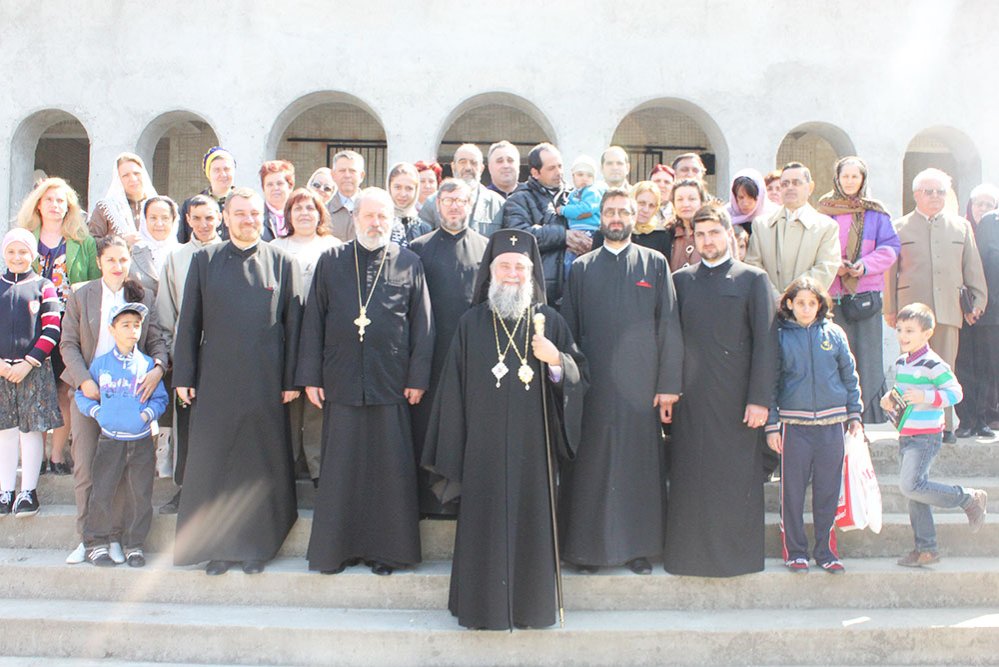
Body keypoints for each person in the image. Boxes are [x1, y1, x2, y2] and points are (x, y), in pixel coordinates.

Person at [421, 229, 588, 630]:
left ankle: (531, 609)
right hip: (483, 450)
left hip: (535, 449)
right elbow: (452, 393)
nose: (512, 274)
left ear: (531, 275)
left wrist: (555, 362)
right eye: (505, 266)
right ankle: (482, 608)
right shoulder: (470, 323)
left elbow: (579, 378)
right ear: (490, 272)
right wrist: (456, 451)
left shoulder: (552, 322)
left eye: (520, 268)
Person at [296, 187, 434, 576]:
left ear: (392, 221)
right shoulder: (332, 260)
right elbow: (314, 322)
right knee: (341, 471)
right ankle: (336, 552)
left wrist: (417, 377)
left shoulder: (409, 262)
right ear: (354, 218)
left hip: (390, 382)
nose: (376, 223)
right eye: (370, 216)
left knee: (388, 473)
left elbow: (423, 326)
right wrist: (310, 376)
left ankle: (387, 553)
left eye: (383, 217)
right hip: (340, 380)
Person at [172, 188, 304, 576]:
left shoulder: (281, 261)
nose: (248, 220)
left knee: (259, 465)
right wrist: (184, 375)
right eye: (240, 214)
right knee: (218, 463)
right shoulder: (205, 260)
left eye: (254, 214)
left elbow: (294, 324)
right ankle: (219, 549)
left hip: (266, 382)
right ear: (225, 219)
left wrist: (292, 378)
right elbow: (189, 323)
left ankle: (257, 547)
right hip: (215, 380)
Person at [559, 188, 682, 575]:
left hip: (641, 390)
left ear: (634, 217)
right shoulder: (581, 268)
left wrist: (667, 384)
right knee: (591, 469)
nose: (616, 217)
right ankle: (586, 551)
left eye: (623, 211)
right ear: (600, 216)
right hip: (591, 388)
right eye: (609, 211)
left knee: (638, 469)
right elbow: (569, 331)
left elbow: (670, 327)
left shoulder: (655, 264)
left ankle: (638, 549)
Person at [666, 205, 777, 577]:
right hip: (691, 400)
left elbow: (766, 344)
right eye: (700, 235)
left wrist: (760, 400)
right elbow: (671, 340)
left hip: (738, 401)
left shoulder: (753, 280)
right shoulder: (681, 281)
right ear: (692, 240)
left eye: (714, 232)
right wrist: (669, 390)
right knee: (691, 477)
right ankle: (688, 558)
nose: (707, 240)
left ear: (729, 234)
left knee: (734, 480)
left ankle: (737, 559)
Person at [60, 235, 168, 565]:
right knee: (87, 467)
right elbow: (68, 344)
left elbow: (158, 341)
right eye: (111, 260)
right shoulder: (83, 295)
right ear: (99, 262)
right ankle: (88, 538)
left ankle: (117, 537)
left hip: (130, 395)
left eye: (123, 260)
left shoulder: (143, 296)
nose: (118, 267)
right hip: (91, 391)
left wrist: (159, 369)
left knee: (123, 472)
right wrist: (86, 381)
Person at [765, 277, 862, 575]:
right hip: (795, 427)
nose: (806, 308)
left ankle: (826, 551)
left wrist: (854, 414)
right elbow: (770, 382)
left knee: (828, 491)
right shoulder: (779, 336)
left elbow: (849, 375)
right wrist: (771, 425)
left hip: (832, 425)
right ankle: (795, 552)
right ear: (789, 304)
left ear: (820, 305)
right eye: (800, 302)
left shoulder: (834, 334)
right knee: (792, 492)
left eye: (812, 302)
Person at [880, 303, 988, 567]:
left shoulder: (934, 364)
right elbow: (901, 394)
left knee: (911, 485)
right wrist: (889, 399)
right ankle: (926, 549)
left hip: (926, 436)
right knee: (916, 492)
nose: (903, 336)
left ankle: (968, 497)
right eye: (900, 330)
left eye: (910, 331)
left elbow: (955, 393)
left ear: (927, 333)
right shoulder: (902, 362)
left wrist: (926, 396)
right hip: (907, 434)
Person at [884, 168, 988, 442]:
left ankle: (945, 426)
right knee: (912, 371)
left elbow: (972, 267)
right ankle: (909, 424)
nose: (934, 197)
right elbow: (890, 272)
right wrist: (890, 309)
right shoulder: (899, 226)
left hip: (948, 308)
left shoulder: (961, 226)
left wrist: (978, 300)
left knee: (945, 368)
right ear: (916, 194)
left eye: (940, 192)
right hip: (911, 313)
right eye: (928, 191)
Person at [408, 178, 489, 518]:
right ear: (437, 205)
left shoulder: (487, 249)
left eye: (462, 201)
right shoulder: (417, 248)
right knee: (427, 428)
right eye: (449, 200)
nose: (456, 206)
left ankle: (466, 499)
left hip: (473, 357)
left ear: (470, 205)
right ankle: (428, 502)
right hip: (430, 356)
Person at [75, 302, 168, 567]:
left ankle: (135, 544)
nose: (132, 331)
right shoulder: (101, 365)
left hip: (140, 442)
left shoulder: (148, 365)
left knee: (140, 494)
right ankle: (96, 543)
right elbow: (82, 395)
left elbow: (160, 399)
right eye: (125, 325)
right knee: (103, 492)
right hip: (110, 440)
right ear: (112, 330)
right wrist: (97, 412)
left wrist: (146, 416)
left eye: (137, 325)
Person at [17, 177, 100, 475]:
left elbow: (94, 284)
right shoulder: (23, 238)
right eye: (49, 199)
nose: (55, 205)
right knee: (38, 391)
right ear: (39, 204)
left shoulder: (83, 242)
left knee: (66, 391)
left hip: (69, 325)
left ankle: (57, 456)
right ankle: (36, 456)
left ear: (69, 207)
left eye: (61, 201)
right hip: (33, 326)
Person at [816, 156, 901, 423]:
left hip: (865, 296)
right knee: (836, 354)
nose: (850, 181)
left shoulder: (876, 213)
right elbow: (815, 247)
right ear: (837, 178)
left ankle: (868, 415)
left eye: (856, 176)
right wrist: (834, 266)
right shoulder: (823, 211)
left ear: (863, 179)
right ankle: (838, 412)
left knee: (868, 354)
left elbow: (890, 248)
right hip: (832, 296)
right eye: (846, 176)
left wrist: (863, 266)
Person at [154, 195, 224, 515]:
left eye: (210, 218)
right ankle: (186, 489)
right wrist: (176, 356)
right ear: (188, 220)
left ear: (220, 218)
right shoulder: (176, 258)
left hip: (225, 354)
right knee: (188, 425)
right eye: (197, 218)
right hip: (189, 354)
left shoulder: (230, 254)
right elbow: (166, 311)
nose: (204, 224)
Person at [270, 188, 342, 483]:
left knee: (316, 400)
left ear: (320, 214)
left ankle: (316, 466)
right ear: (288, 215)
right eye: (297, 208)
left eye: (310, 209)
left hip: (322, 332)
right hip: (284, 332)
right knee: (287, 399)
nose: (304, 214)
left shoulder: (334, 246)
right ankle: (287, 464)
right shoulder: (275, 246)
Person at [0, 228, 63, 517]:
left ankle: (28, 491)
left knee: (31, 431)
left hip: (33, 370)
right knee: (6, 432)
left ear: (33, 255)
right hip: (1, 371)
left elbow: (51, 328)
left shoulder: (43, 286)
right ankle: (5, 490)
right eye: (11, 251)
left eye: (23, 251)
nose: (17, 257)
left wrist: (29, 361)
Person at [744, 162, 841, 297]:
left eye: (796, 183)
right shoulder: (761, 225)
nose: (790, 188)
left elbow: (825, 268)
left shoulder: (826, 227)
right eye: (784, 184)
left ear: (810, 187)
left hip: (806, 309)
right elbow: (753, 265)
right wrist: (775, 297)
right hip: (769, 306)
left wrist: (792, 297)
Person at [502, 142, 575, 305]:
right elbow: (519, 236)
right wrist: (563, 235)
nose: (559, 172)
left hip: (574, 292)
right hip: (537, 295)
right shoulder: (519, 199)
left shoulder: (575, 196)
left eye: (560, 166)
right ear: (535, 172)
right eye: (551, 168)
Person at [955, 199, 999, 438]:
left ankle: (983, 417)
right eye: (979, 204)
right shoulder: (961, 228)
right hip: (967, 309)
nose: (984, 210)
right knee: (965, 365)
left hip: (992, 312)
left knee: (988, 369)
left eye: (989, 204)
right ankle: (967, 419)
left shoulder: (993, 225)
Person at [419, 143, 505, 237]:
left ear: (481, 168)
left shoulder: (498, 204)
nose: (468, 168)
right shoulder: (432, 202)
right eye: (462, 162)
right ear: (453, 167)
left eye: (473, 162)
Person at [88, 152, 157, 247]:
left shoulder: (157, 205)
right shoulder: (106, 208)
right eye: (126, 175)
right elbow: (91, 243)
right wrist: (120, 241)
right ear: (118, 179)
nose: (133, 179)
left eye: (136, 173)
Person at [177, 146, 235, 244]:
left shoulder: (243, 203)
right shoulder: (190, 204)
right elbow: (182, 242)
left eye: (227, 169)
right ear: (208, 173)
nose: (223, 174)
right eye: (217, 170)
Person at [129, 196, 181, 295]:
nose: (159, 223)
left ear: (173, 220)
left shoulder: (183, 253)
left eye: (165, 218)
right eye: (153, 218)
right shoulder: (131, 253)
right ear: (145, 220)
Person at [559, 155, 602, 275]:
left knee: (583, 263)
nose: (585, 178)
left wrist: (563, 210)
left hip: (589, 231)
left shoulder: (592, 192)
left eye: (589, 175)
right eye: (580, 174)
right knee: (570, 262)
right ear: (573, 176)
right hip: (576, 231)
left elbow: (585, 209)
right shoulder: (573, 193)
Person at [665, 178, 709, 272]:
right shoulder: (668, 233)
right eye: (680, 199)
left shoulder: (713, 232)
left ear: (702, 202)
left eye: (692, 199)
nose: (685, 204)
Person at [386, 162, 432, 247]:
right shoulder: (379, 222)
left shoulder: (423, 229)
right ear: (389, 187)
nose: (403, 194)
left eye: (409, 188)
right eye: (397, 187)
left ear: (416, 190)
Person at [726, 168, 779, 235]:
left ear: (760, 196)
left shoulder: (774, 217)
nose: (745, 203)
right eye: (741, 197)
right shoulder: (725, 217)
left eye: (750, 197)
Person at [329, 150, 366, 242]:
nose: (347, 175)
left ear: (361, 176)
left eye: (352, 171)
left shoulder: (371, 208)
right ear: (333, 175)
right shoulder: (323, 211)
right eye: (342, 171)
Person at [259, 160, 295, 241]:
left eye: (280, 183)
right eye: (270, 184)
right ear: (263, 188)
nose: (275, 188)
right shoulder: (256, 216)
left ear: (290, 187)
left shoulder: (299, 214)